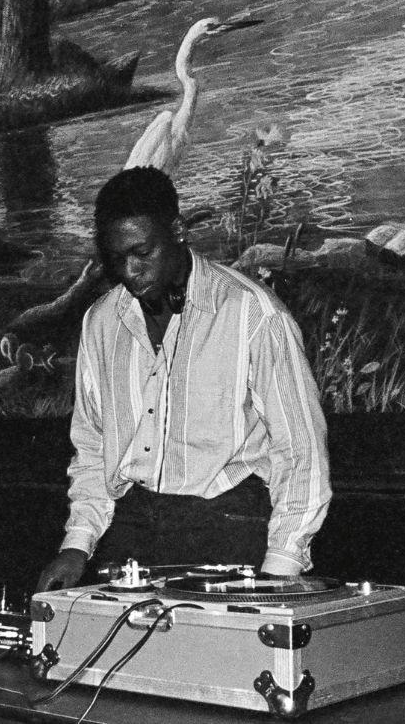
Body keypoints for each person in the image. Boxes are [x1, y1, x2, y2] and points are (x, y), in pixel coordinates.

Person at [37, 167, 332, 591]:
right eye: (116, 258)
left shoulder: (252, 313)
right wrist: (77, 544)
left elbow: (301, 451)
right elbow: (92, 446)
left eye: (142, 252)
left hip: (228, 527)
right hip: (132, 526)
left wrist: (280, 568)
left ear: (177, 230)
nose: (130, 271)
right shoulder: (101, 322)